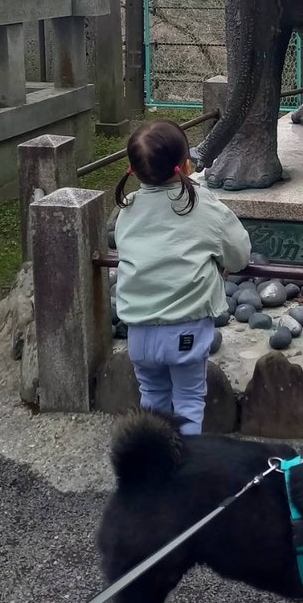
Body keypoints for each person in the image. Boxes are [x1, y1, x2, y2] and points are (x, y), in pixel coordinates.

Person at [114, 119, 251, 434]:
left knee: (152, 399)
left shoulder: (128, 208)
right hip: (184, 331)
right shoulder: (203, 205)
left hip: (139, 332)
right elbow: (240, 255)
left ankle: (155, 467)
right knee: (189, 402)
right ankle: (188, 469)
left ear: (133, 170)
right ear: (186, 164)